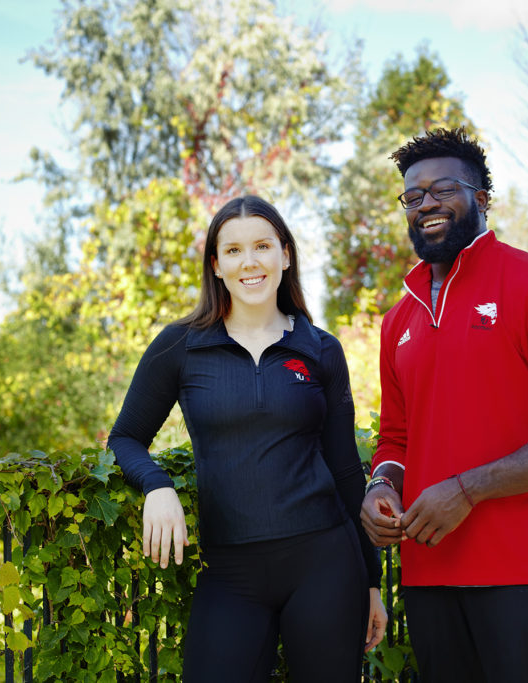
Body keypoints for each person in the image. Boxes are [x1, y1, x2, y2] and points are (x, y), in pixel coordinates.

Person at [360, 128, 528, 682]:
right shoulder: (397, 322)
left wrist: (467, 488)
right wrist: (381, 486)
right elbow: (397, 439)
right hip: (428, 572)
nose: (426, 202)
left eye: (443, 188)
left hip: (520, 570)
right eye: (413, 195)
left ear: (480, 199)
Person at [109, 195, 387, 682]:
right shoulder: (180, 345)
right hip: (230, 573)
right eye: (233, 251)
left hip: (326, 563)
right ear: (216, 265)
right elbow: (126, 437)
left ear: (285, 254)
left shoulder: (322, 350)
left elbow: (345, 469)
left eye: (262, 245)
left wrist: (370, 582)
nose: (249, 261)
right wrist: (157, 485)